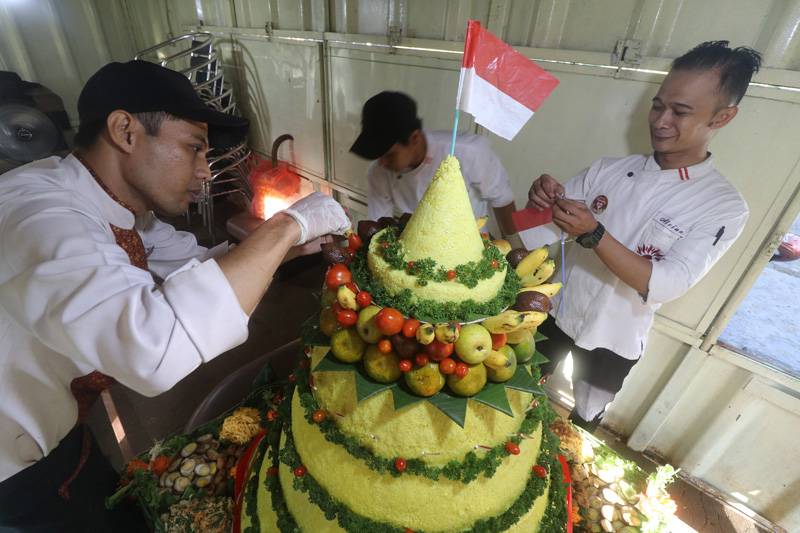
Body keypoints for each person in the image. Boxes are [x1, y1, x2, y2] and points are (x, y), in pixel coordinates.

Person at [0, 60, 349, 531]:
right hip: (12, 467)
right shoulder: (41, 213)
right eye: (193, 148)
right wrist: (288, 224)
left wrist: (283, 249)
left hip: (62, 424)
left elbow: (196, 266)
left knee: (115, 507)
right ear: (125, 131)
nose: (205, 172)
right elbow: (151, 349)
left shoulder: (122, 208)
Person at [526, 41, 762, 432]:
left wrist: (594, 232)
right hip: (553, 310)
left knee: (583, 418)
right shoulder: (608, 170)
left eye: (680, 112)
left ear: (722, 117)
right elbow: (537, 231)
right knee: (518, 390)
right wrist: (541, 200)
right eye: (657, 106)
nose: (660, 121)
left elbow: (666, 283)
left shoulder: (723, 206)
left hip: (615, 336)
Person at [350, 91, 521, 246]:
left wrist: (513, 241)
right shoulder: (378, 172)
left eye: (389, 155)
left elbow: (502, 198)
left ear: (414, 138)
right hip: (416, 247)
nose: (382, 162)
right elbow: (379, 221)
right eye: (378, 155)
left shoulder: (469, 152)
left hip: (471, 245)